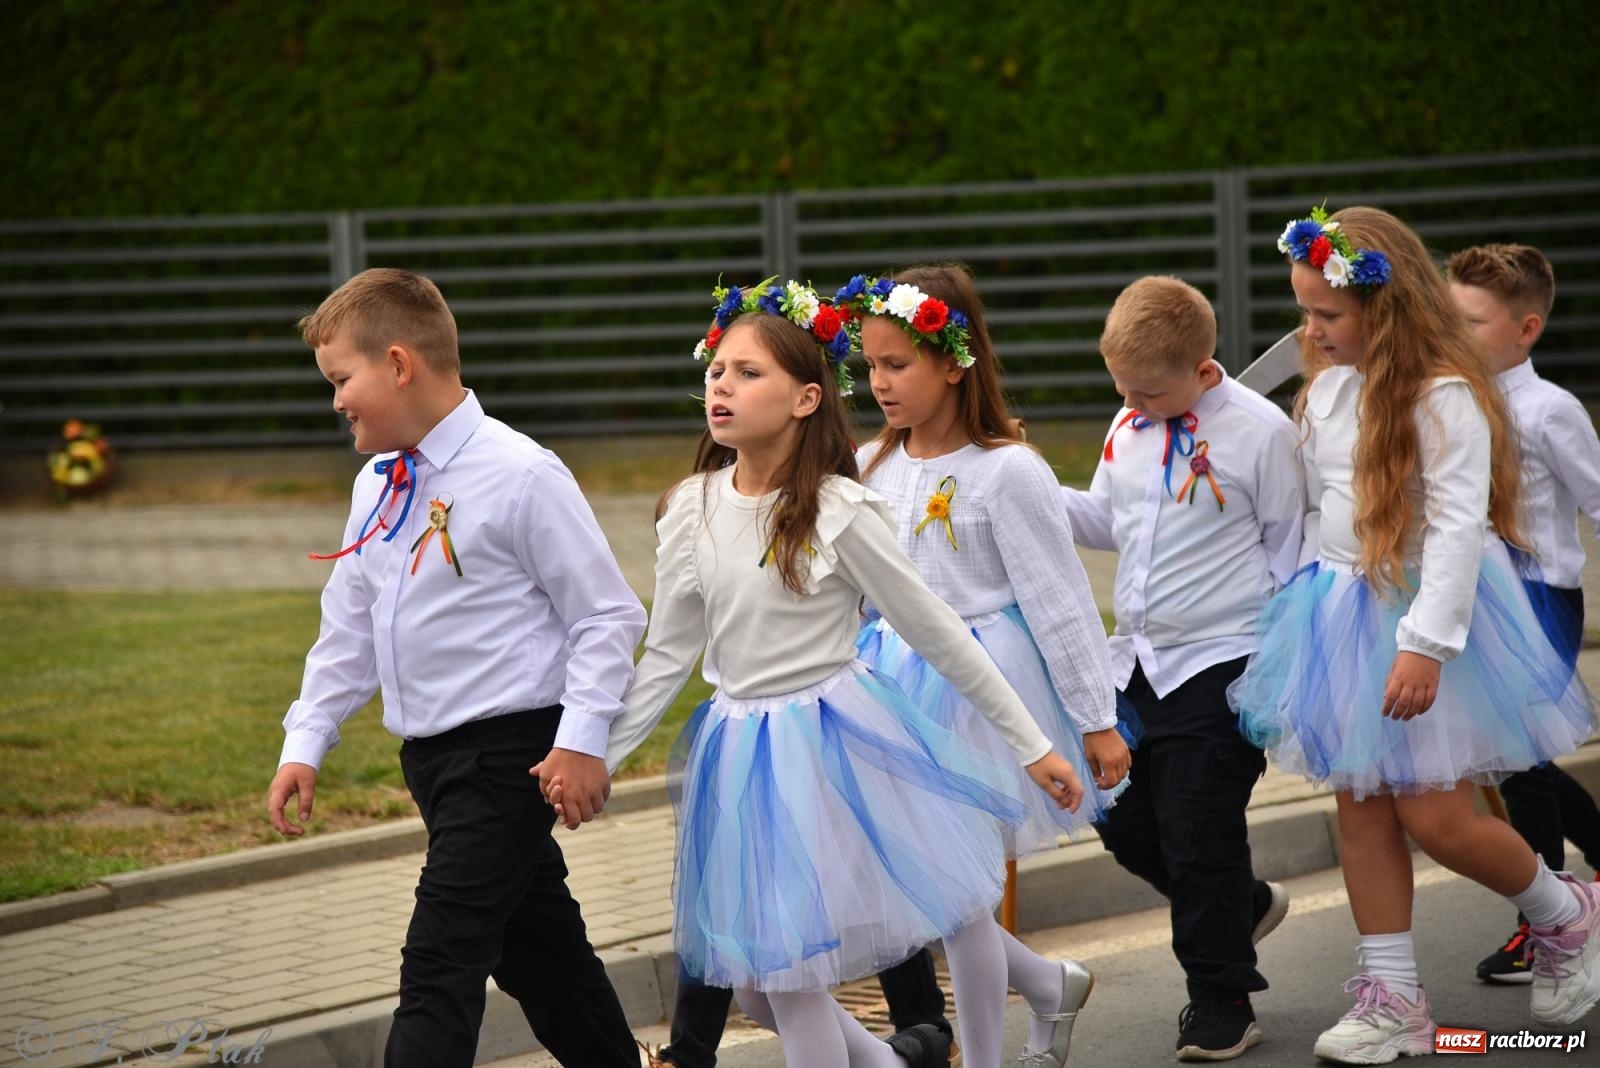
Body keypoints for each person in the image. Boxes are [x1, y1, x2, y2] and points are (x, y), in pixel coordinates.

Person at [563, 278, 1086, 1067]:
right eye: (717, 371)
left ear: (807, 399)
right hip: (741, 757)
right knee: (767, 982)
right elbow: (668, 657)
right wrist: (598, 753)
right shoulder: (694, 508)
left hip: (841, 742)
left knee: (827, 958)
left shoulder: (839, 509)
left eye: (748, 374)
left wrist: (1031, 743)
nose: (722, 387)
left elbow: (937, 633)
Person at [1232, 206, 1600, 1064]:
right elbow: (1318, 502)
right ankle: (1393, 994)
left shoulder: (1443, 396)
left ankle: (1564, 912)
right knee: (1359, 806)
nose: (1311, 331)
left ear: (1385, 307)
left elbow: (1460, 530)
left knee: (1437, 815)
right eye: (1305, 310)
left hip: (1423, 617)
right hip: (1336, 613)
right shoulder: (1325, 386)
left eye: (1327, 315)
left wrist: (1424, 646)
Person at [265, 268, 647, 1068]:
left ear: (399, 364)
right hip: (432, 762)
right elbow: (349, 627)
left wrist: (581, 741)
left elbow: (606, 615)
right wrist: (306, 740)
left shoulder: (521, 474)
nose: (335, 400)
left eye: (343, 379)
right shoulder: (377, 484)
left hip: (511, 756)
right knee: (539, 957)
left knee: (441, 959)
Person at [843, 263, 1129, 1066]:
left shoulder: (1008, 470)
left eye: (897, 364)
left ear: (955, 362)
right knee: (926, 887)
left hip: (981, 688)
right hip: (891, 685)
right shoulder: (871, 464)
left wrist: (1095, 720)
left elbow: (1061, 602)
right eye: (870, 365)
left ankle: (988, 1050)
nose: (879, 382)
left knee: (965, 893)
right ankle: (1045, 985)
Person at [1060, 275, 1302, 1061]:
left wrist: (1274, 667)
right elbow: (1106, 520)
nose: (1131, 400)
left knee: (1197, 833)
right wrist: (1030, 493)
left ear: (1203, 370)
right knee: (1120, 819)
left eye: (1147, 389)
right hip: (1135, 661)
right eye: (1121, 387)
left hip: (1221, 662)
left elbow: (1288, 547)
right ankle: (1242, 904)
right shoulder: (1129, 422)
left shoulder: (1260, 433)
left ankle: (1222, 998)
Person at [1446, 242, 1600, 983]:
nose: (1453, 333)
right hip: (1477, 599)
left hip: (1540, 598)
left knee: (1519, 762)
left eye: (1471, 322)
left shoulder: (1549, 411)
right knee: (1518, 759)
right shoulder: (1448, 399)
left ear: (1526, 328)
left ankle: (1545, 926)